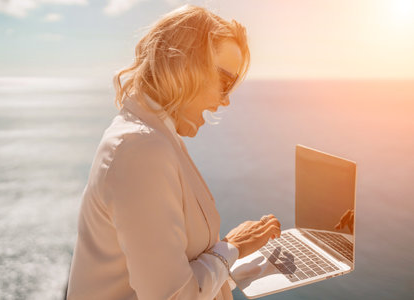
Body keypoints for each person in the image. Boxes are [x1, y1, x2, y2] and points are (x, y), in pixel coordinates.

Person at [66, 4, 281, 300]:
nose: (226, 100)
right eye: (224, 82)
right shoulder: (141, 150)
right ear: (185, 65)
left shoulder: (154, 137)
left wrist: (231, 263)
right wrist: (231, 248)